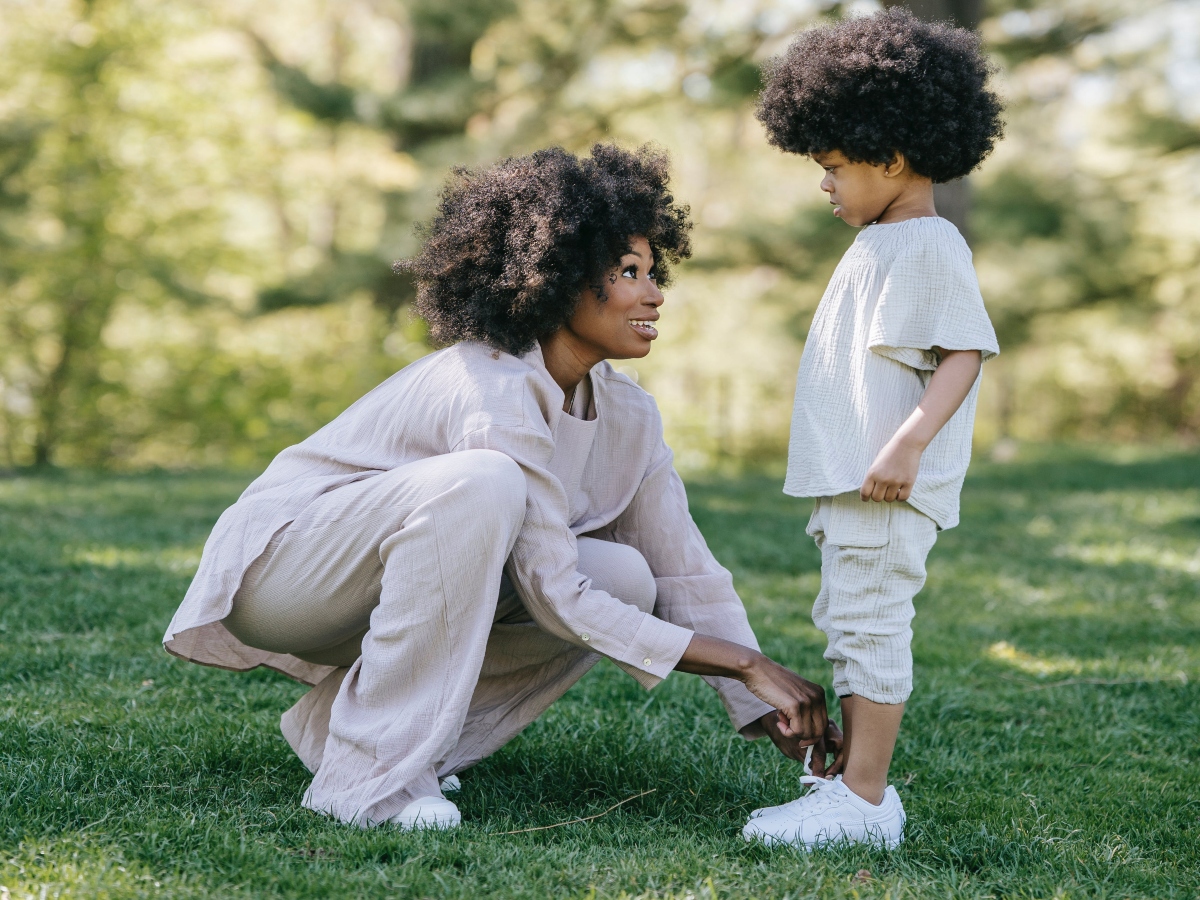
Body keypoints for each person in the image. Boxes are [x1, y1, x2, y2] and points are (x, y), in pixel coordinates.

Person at [163, 144, 840, 830]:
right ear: (558, 279)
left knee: (626, 577)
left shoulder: (628, 414)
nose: (654, 292)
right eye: (626, 272)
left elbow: (685, 571)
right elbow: (551, 590)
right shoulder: (490, 384)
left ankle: (370, 742)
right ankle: (366, 780)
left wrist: (761, 701)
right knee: (485, 482)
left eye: (652, 271)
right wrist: (745, 662)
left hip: (391, 585)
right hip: (287, 575)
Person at [742, 9, 1003, 849]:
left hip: (886, 484)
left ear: (891, 159)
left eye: (834, 167)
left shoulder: (928, 243)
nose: (825, 185)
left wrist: (906, 445)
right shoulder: (880, 241)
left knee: (873, 623)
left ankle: (863, 803)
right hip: (854, 486)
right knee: (851, 622)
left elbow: (965, 354)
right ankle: (852, 784)